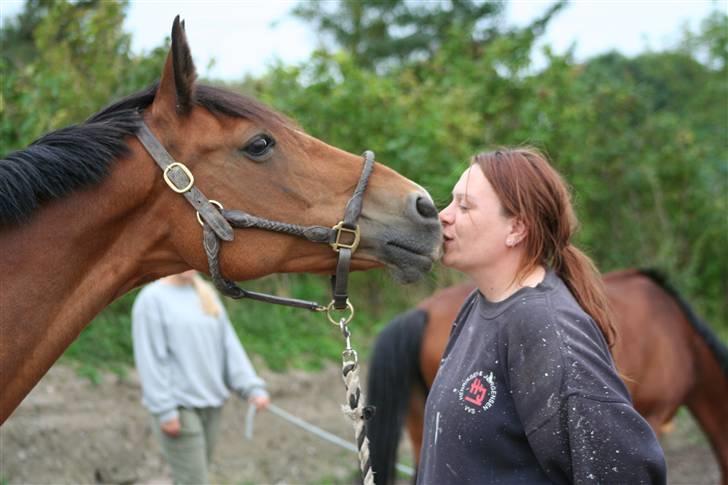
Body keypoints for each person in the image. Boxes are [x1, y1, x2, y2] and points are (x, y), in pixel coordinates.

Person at [417, 148, 666, 484]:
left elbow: (627, 471)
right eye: (451, 201)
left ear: (517, 229)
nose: (444, 216)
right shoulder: (478, 305)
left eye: (464, 206)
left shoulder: (546, 328)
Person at [132, 270, 269, 485]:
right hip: (179, 408)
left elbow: (228, 347)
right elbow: (150, 359)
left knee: (194, 477)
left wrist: (251, 387)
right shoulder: (152, 299)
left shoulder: (207, 294)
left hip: (211, 406)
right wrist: (165, 411)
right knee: (195, 481)